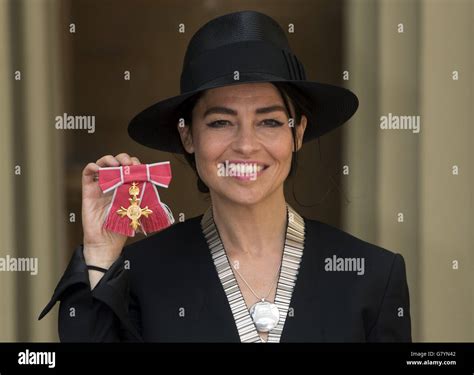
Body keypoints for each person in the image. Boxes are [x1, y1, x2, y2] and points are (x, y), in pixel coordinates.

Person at [39, 10, 411, 343]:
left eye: (268, 121)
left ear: (297, 133)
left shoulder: (371, 276)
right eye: (220, 122)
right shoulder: (141, 276)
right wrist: (101, 254)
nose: (246, 145)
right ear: (188, 135)